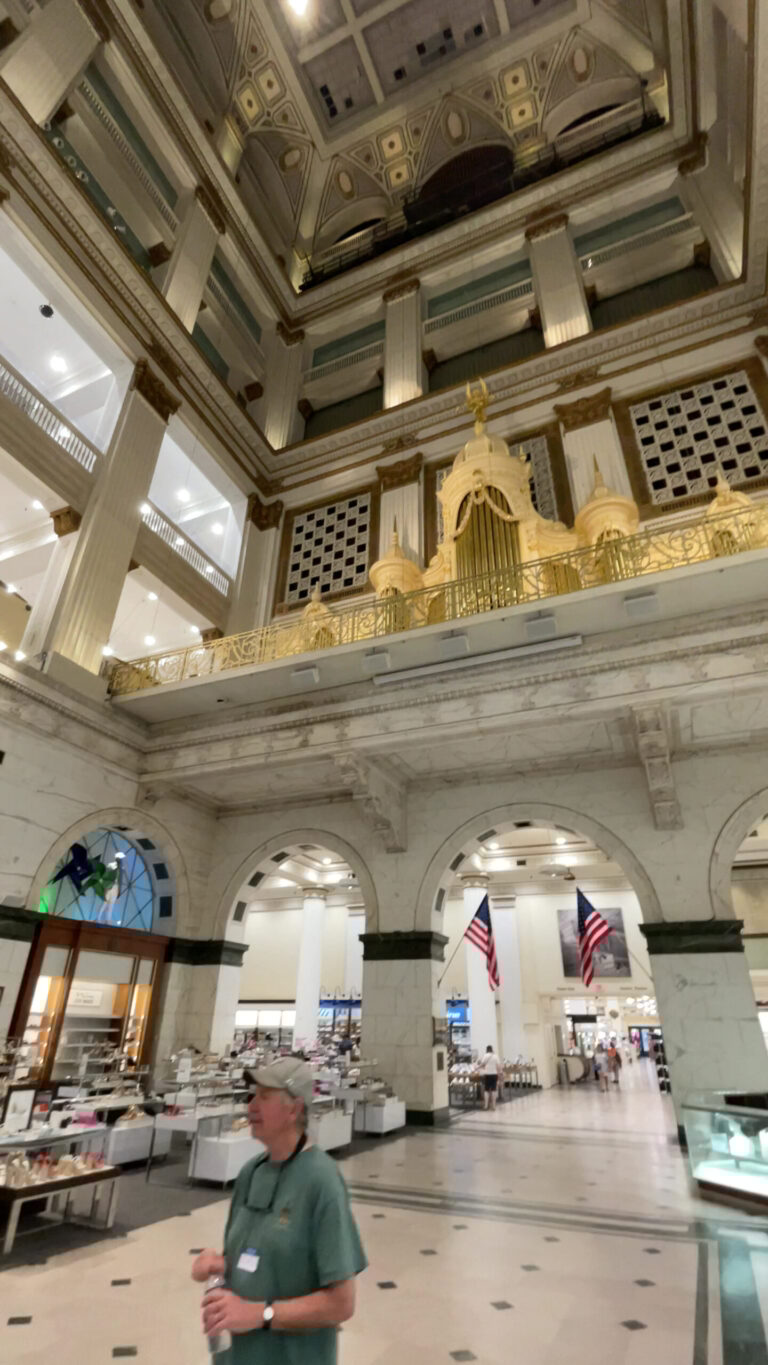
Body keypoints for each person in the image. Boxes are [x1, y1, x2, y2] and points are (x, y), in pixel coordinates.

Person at [192, 1057, 367, 1363]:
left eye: (265, 1096)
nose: (251, 1106)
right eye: (252, 1095)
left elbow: (341, 1304)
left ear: (294, 1109)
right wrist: (218, 1265)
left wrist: (262, 1314)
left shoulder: (321, 1182)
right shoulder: (250, 1173)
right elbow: (254, 1259)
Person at [481, 1043, 500, 1111]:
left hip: (487, 1074)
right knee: (494, 1090)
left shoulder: (485, 1056)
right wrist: (499, 1073)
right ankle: (494, 1106)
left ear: (487, 1050)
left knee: (486, 1090)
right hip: (494, 1074)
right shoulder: (495, 1056)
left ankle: (486, 1106)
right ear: (492, 1049)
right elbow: (498, 1066)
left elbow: (482, 1065)